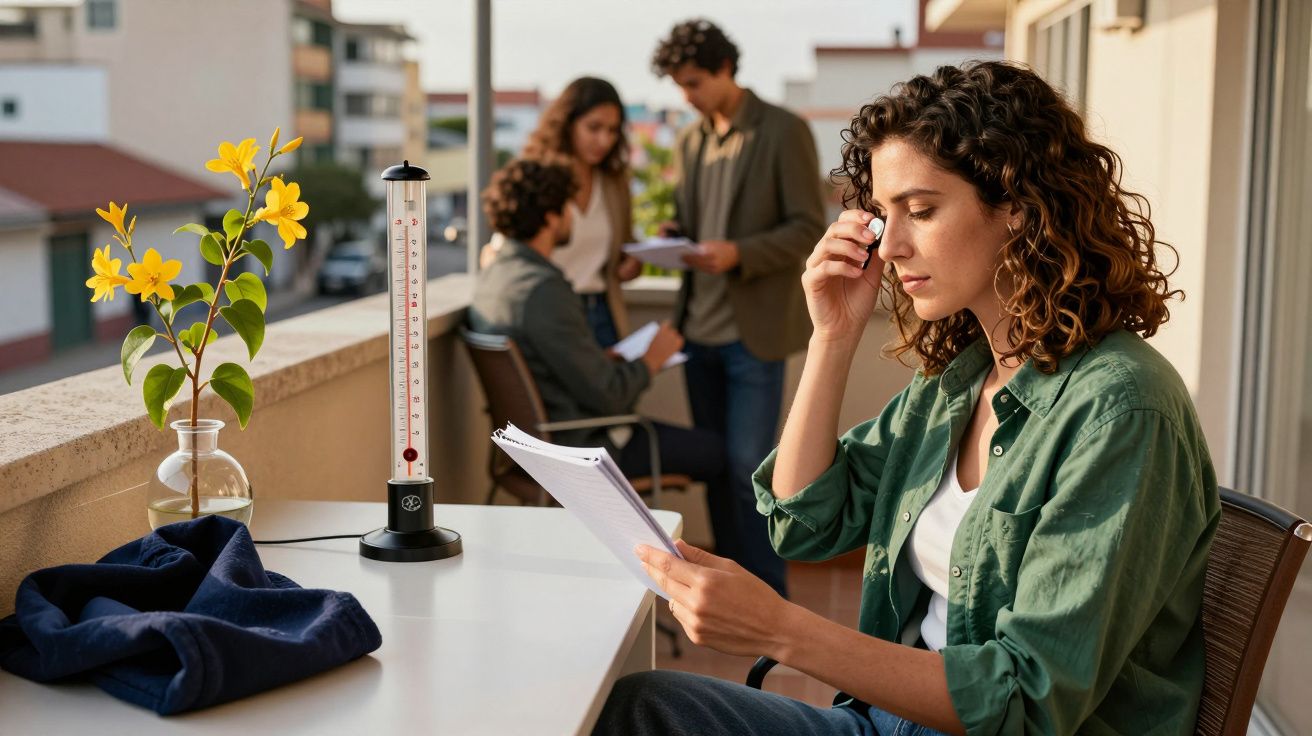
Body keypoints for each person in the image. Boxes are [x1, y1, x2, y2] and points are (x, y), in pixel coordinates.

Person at [594, 61, 1220, 736]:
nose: (889, 246)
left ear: (1018, 206)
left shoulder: (1120, 412)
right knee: (643, 705)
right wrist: (831, 339)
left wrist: (781, 629)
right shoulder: (962, 381)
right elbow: (804, 523)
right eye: (883, 215)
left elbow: (1028, 700)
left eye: (920, 211)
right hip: (895, 720)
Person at [652, 19, 826, 597]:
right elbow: (698, 224)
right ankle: (725, 592)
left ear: (727, 69)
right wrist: (675, 237)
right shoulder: (690, 138)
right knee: (714, 471)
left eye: (695, 82)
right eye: (680, 85)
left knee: (750, 472)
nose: (687, 95)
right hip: (696, 331)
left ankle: (767, 600)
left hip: (754, 335)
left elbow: (807, 227)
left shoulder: (783, 130)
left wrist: (738, 254)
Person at [468, 156, 724, 491]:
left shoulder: (494, 279)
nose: (573, 215)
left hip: (527, 447)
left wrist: (605, 359)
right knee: (721, 454)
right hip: (579, 448)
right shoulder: (543, 290)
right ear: (550, 217)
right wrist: (652, 359)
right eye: (569, 207)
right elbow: (610, 398)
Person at [479, 77, 643, 348]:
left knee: (618, 387)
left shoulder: (615, 183)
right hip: (551, 311)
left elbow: (623, 247)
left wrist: (632, 264)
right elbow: (500, 254)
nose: (604, 140)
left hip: (604, 312)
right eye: (594, 128)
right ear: (568, 124)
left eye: (613, 130)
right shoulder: (538, 177)